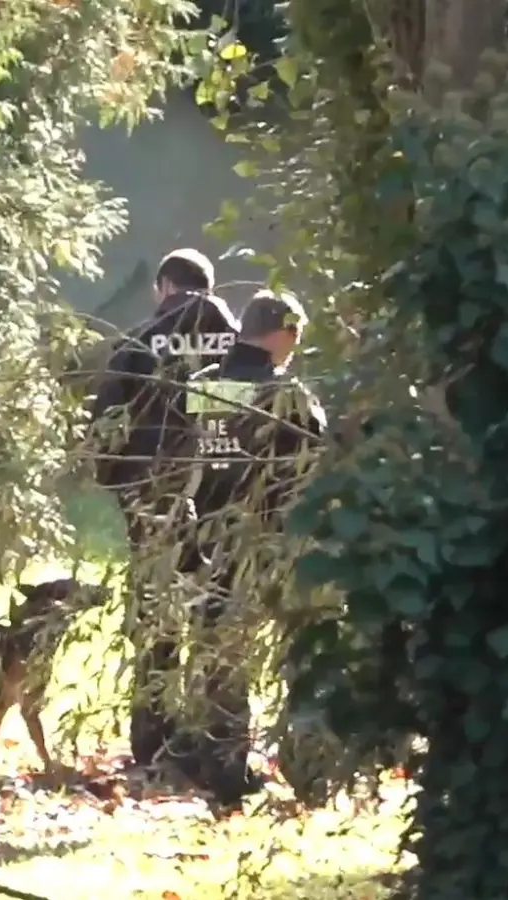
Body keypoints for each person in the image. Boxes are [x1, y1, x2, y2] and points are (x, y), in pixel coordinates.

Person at [87, 248, 240, 769]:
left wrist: (122, 488)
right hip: (224, 503)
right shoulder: (239, 341)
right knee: (215, 613)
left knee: (157, 614)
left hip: (154, 500)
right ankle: (213, 740)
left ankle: (154, 739)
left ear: (164, 287)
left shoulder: (138, 342)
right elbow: (239, 421)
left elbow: (108, 426)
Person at [174, 289, 326, 810]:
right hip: (275, 542)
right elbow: (315, 463)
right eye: (295, 338)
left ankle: (223, 771)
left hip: (213, 539)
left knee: (222, 660)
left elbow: (184, 460)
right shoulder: (291, 395)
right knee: (298, 655)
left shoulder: (201, 386)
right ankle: (307, 770)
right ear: (283, 332)